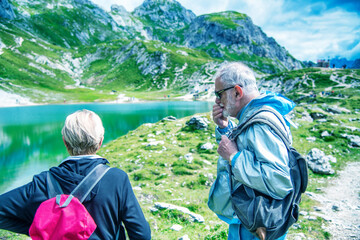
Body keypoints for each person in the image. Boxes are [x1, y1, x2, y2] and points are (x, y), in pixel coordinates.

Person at [0, 109, 151, 240]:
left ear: (65, 142)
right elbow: (141, 234)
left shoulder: (42, 183)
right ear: (100, 142)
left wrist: (43, 228)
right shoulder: (116, 178)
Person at [208, 62, 295, 240]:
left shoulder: (260, 124)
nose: (217, 101)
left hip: (257, 227)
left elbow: (279, 181)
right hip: (252, 220)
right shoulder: (256, 115)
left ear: (237, 92)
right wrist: (225, 129)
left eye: (219, 94)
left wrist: (234, 157)